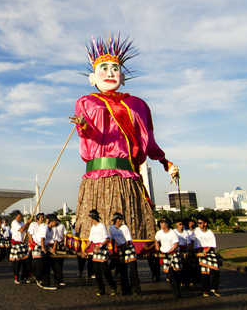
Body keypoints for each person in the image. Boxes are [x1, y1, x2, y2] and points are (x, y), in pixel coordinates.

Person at [69, 34, 179, 241]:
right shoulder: (86, 101)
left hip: (128, 174)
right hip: (98, 175)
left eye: (115, 69)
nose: (110, 73)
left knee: (132, 228)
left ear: (123, 78)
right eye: (103, 68)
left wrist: (166, 162)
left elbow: (149, 138)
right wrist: (83, 126)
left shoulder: (139, 104)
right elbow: (88, 133)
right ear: (92, 78)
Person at [84, 209, 116, 296]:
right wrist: (85, 250)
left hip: (102, 248)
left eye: (90, 217)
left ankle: (113, 285)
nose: (90, 219)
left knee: (104, 270)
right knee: (96, 271)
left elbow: (107, 238)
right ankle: (101, 289)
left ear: (93, 218)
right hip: (95, 249)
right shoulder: (92, 228)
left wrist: (100, 246)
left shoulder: (101, 226)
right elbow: (90, 240)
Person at [109, 212, 140, 296]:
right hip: (120, 249)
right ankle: (125, 289)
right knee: (123, 270)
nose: (121, 221)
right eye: (119, 219)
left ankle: (135, 288)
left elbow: (127, 241)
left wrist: (121, 250)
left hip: (128, 248)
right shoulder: (111, 228)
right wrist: (113, 250)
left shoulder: (125, 228)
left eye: (121, 219)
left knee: (133, 269)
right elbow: (112, 239)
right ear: (115, 220)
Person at [193, 216, 220, 297]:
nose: (199, 225)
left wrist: (205, 252)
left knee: (216, 270)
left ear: (205, 224)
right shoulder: (196, 231)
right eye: (198, 223)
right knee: (205, 272)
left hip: (208, 251)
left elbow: (211, 245)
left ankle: (214, 287)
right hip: (199, 251)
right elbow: (191, 240)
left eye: (200, 223)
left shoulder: (210, 233)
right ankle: (205, 290)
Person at [155, 218, 182, 298]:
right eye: (160, 223)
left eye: (162, 223)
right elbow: (156, 241)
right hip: (165, 255)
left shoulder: (173, 233)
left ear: (166, 224)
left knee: (176, 273)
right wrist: (158, 250)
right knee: (170, 274)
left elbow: (175, 245)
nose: (161, 224)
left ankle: (178, 288)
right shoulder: (159, 233)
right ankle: (176, 292)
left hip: (173, 254)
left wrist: (168, 252)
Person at [9, 210, 30, 284]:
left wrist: (27, 225)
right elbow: (21, 230)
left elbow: (25, 231)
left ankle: (24, 276)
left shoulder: (22, 223)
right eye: (19, 214)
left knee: (26, 262)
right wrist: (27, 223)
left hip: (22, 244)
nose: (20, 215)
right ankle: (16, 277)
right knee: (17, 262)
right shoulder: (14, 222)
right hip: (17, 245)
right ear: (16, 215)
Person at [47, 214, 66, 287]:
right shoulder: (45, 228)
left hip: (56, 245)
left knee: (58, 264)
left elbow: (56, 238)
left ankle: (59, 279)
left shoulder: (57, 228)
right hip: (47, 246)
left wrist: (54, 247)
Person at [175, 219, 193, 289]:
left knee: (186, 267)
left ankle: (186, 282)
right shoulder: (174, 232)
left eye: (182, 224)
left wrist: (188, 251)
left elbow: (188, 243)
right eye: (180, 224)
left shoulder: (186, 233)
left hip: (184, 250)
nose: (181, 226)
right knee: (178, 267)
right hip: (177, 250)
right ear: (176, 224)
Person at [28, 213, 45, 281]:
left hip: (41, 244)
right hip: (34, 244)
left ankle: (37, 274)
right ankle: (35, 274)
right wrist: (32, 242)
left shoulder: (44, 225)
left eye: (43, 217)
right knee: (35, 260)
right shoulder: (33, 224)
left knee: (38, 260)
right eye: (41, 217)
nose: (42, 219)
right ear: (37, 218)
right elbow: (29, 233)